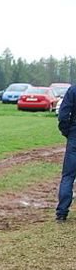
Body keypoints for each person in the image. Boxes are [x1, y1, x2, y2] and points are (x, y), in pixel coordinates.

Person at [56, 83, 75, 222]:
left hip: (74, 135)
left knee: (68, 176)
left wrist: (67, 132)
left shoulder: (73, 90)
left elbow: (63, 115)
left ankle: (62, 213)